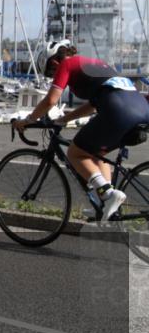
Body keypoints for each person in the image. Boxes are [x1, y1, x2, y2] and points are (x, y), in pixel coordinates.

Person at [17, 40, 149, 221]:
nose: (53, 75)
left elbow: (51, 100)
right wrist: (63, 119)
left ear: (54, 61)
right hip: (141, 109)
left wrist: (28, 120)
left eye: (50, 71)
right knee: (96, 154)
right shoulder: (93, 64)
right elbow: (93, 105)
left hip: (118, 110)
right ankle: (106, 206)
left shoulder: (67, 64)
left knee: (75, 153)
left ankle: (108, 194)